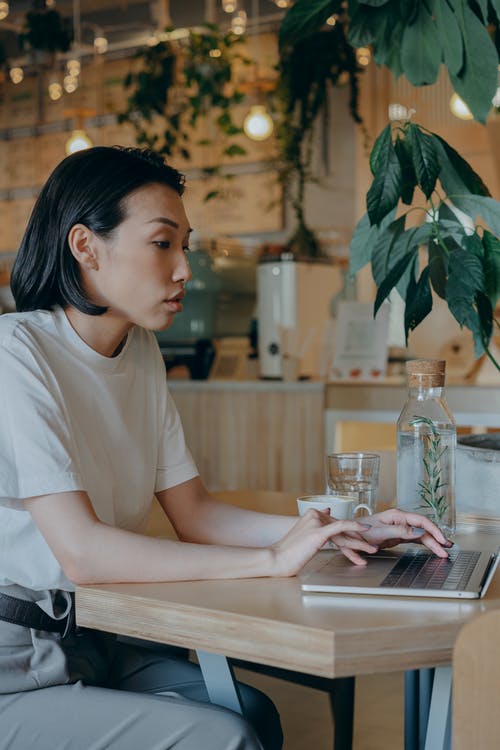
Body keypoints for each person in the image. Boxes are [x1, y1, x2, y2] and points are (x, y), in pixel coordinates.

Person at [0, 146, 451, 750]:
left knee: (253, 715)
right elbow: (82, 553)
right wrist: (271, 561)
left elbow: (196, 514)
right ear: (86, 246)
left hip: (100, 635)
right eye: (163, 244)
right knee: (224, 736)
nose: (185, 268)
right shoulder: (17, 352)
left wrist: (335, 529)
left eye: (185, 245)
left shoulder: (140, 352)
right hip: (19, 666)